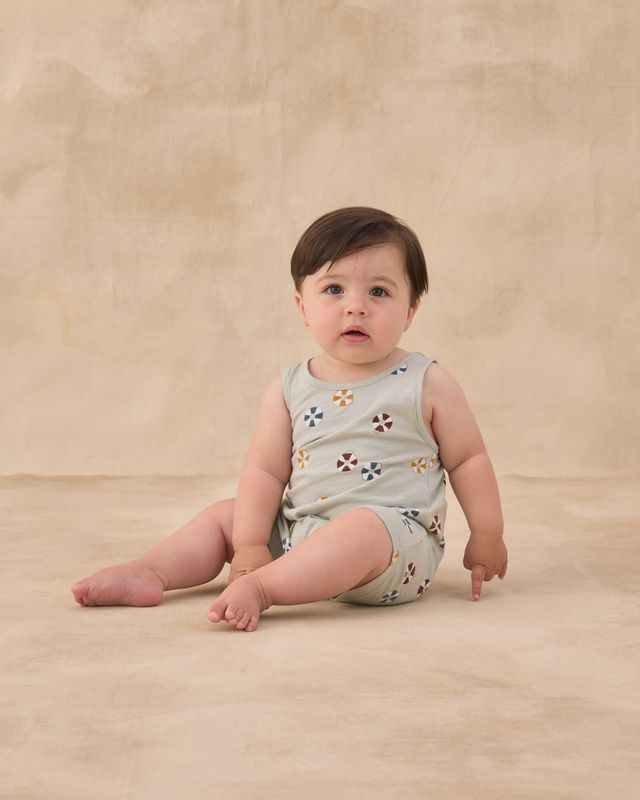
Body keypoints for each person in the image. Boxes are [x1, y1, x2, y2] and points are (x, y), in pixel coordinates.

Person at [71, 207, 508, 632]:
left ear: (410, 310)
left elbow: (468, 459)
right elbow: (265, 471)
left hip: (394, 548)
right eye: (334, 289)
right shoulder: (289, 388)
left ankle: (263, 589)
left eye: (378, 292)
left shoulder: (425, 381)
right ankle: (151, 571)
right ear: (302, 306)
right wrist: (249, 545)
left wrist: (487, 534)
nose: (355, 306)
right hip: (302, 535)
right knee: (228, 516)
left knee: (361, 527)